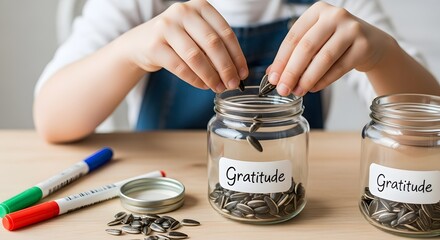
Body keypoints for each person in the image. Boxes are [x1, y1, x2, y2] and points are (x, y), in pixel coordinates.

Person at [34, 0, 440, 143]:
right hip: (168, 188)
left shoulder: (333, 4)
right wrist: (128, 52)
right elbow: (51, 119)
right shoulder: (138, 3)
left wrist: (383, 56)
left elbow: (428, 120)